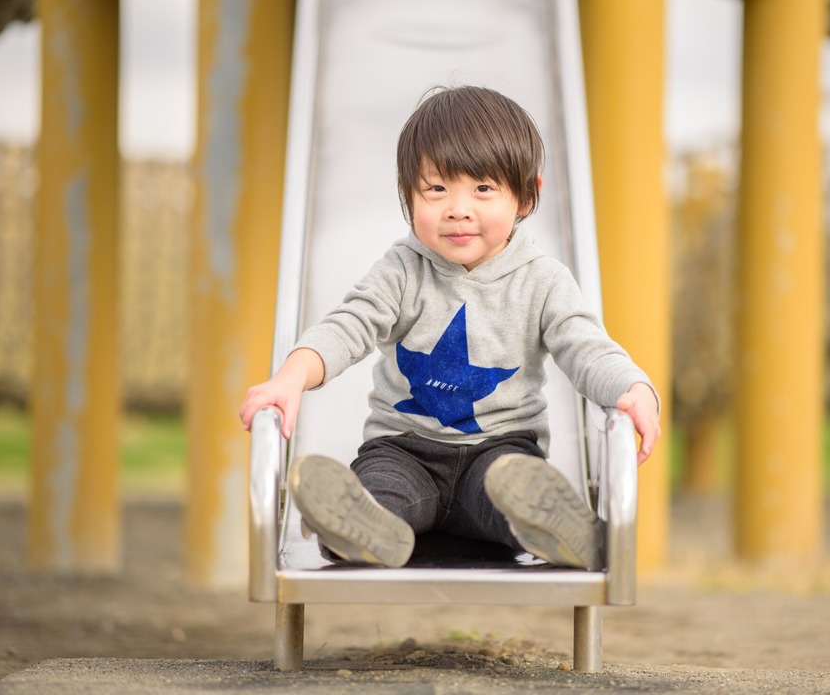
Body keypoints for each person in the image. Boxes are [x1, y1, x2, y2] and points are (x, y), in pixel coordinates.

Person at [238, 85, 660, 570]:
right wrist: (290, 377)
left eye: (483, 189)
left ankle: (550, 527)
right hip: (404, 449)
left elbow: (587, 349)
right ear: (408, 195)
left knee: (511, 490)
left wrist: (634, 388)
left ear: (525, 196)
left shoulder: (543, 281)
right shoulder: (402, 270)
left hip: (499, 452)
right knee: (378, 490)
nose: (458, 208)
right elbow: (349, 324)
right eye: (436, 189)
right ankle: (360, 528)